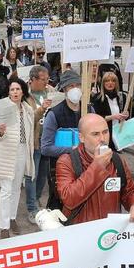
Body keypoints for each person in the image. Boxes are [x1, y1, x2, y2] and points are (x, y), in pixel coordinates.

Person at [56, 113, 134, 224]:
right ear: (81, 137)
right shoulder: (66, 161)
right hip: (80, 232)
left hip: (110, 231)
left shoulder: (117, 160)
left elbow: (129, 190)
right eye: (95, 134)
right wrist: (98, 167)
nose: (102, 139)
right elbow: (69, 199)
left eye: (105, 132)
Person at [0, 78, 36, 238]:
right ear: (8, 92)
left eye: (18, 89)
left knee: (16, 188)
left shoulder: (27, 108)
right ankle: (3, 226)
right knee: (6, 190)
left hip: (23, 151)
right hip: (6, 153)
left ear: (23, 91)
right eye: (12, 89)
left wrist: (42, 108)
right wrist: (1, 131)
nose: (15, 92)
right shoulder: (3, 108)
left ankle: (12, 217)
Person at [41, 69, 88, 210]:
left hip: (87, 168)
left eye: (78, 85)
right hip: (61, 170)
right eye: (71, 86)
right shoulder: (54, 114)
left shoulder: (89, 110)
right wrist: (72, 150)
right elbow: (46, 147)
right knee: (62, 207)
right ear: (64, 90)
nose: (75, 89)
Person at [24, 66, 54, 223]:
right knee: (32, 176)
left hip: (48, 141)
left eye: (47, 79)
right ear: (33, 80)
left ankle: (35, 198)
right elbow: (29, 121)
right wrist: (41, 109)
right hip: (34, 143)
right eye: (43, 79)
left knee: (43, 174)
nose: (46, 82)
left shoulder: (50, 93)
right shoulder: (25, 98)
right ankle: (31, 208)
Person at [91, 72, 128, 152]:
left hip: (119, 134)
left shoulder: (121, 97)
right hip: (105, 135)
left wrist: (125, 115)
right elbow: (97, 118)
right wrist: (113, 117)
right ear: (103, 83)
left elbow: (124, 113)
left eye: (113, 80)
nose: (110, 83)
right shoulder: (98, 99)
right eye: (107, 81)